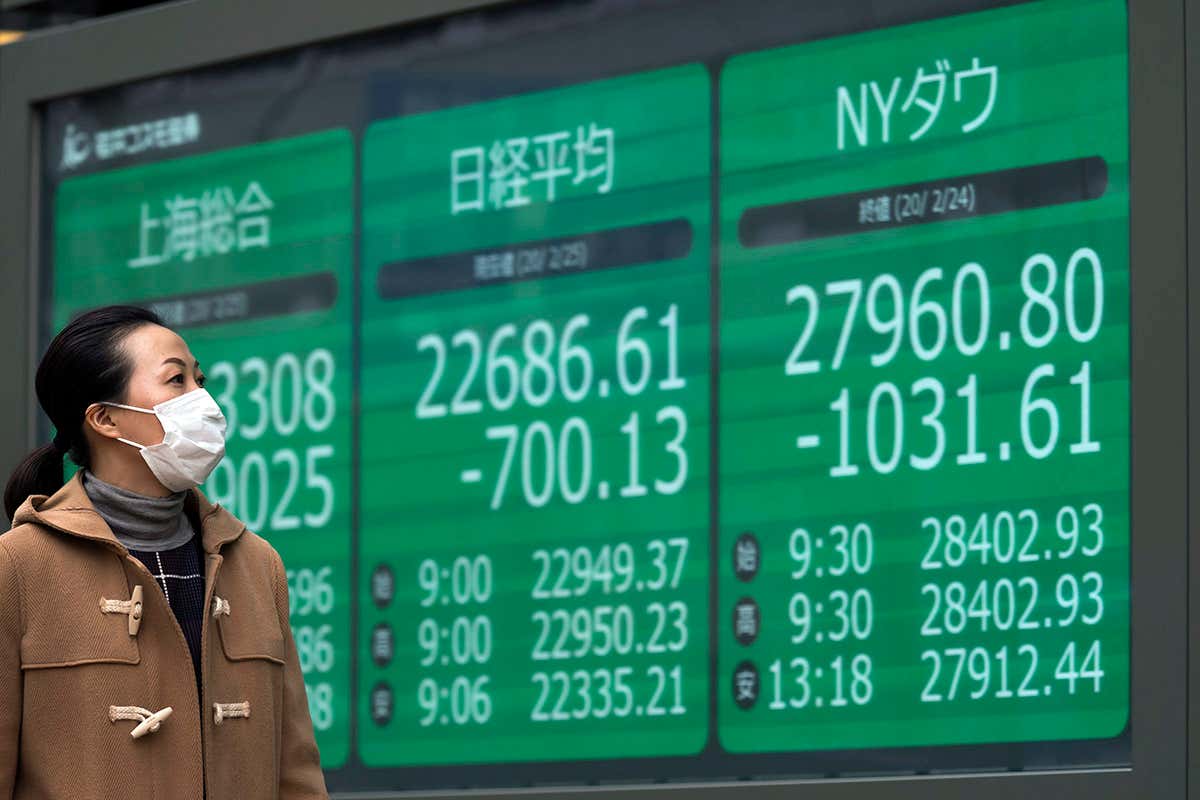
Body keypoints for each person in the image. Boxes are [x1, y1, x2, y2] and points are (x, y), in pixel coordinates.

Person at [0, 305, 328, 799]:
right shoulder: (17, 567)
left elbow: (296, 775)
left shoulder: (257, 566)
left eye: (201, 379)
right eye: (177, 381)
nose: (205, 400)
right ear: (105, 419)